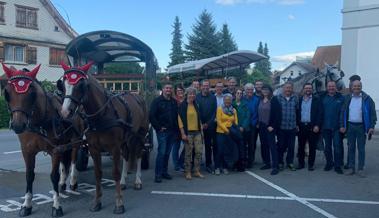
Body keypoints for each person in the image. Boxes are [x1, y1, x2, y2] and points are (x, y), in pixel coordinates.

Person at [340, 80, 376, 177]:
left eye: (358, 86)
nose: (356, 88)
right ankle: (351, 168)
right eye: (354, 86)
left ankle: (360, 169)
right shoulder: (347, 98)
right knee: (351, 148)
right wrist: (342, 125)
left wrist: (371, 127)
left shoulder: (367, 99)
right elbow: (343, 112)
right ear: (351, 87)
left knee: (361, 149)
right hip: (350, 126)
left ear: (361, 87)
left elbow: (373, 114)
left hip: (361, 127)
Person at [149, 82, 179, 183]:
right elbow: (152, 116)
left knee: (167, 153)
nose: (168, 90)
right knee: (161, 153)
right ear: (163, 89)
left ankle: (164, 172)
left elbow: (176, 116)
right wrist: (158, 128)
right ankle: (158, 174)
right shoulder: (157, 101)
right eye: (167, 88)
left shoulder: (174, 102)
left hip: (172, 131)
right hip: (162, 131)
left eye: (170, 88)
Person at [178, 87, 205, 180]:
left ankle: (196, 171)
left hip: (197, 132)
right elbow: (180, 120)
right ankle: (188, 172)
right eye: (190, 94)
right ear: (186, 95)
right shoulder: (182, 105)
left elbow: (199, 118)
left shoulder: (196, 104)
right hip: (187, 132)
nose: (192, 95)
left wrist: (201, 131)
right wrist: (182, 133)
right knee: (188, 153)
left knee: (199, 152)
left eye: (193, 94)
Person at [296, 83, 322, 171]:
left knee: (312, 147)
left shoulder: (316, 100)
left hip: (312, 126)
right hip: (301, 126)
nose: (308, 90)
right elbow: (296, 113)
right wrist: (297, 124)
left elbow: (319, 113)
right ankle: (301, 163)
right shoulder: (299, 100)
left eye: (310, 88)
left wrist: (317, 125)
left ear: (312, 90)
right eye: (306, 88)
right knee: (301, 146)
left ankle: (311, 164)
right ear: (303, 89)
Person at [321, 81, 344, 174]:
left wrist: (342, 125)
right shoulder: (322, 98)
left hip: (337, 128)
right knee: (327, 147)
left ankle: (337, 165)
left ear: (336, 87)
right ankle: (329, 163)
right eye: (329, 86)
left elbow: (343, 113)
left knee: (337, 147)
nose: (331, 88)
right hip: (325, 127)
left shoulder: (341, 98)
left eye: (333, 86)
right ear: (327, 88)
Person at [258, 84, 281, 175]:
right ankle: (267, 163)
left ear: (270, 90)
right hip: (262, 126)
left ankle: (275, 166)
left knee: (272, 146)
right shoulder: (260, 99)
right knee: (264, 145)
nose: (265, 91)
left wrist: (273, 126)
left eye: (267, 89)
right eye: (263, 89)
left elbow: (278, 114)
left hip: (270, 126)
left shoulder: (274, 100)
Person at [196, 80, 217, 173]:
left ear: (209, 87)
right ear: (201, 87)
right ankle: (196, 165)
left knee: (208, 146)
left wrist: (208, 123)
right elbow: (196, 112)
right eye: (204, 86)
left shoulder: (213, 98)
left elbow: (214, 112)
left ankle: (208, 164)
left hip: (209, 126)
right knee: (197, 146)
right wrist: (200, 123)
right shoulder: (196, 97)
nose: (205, 87)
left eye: (207, 86)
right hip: (198, 125)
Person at [215, 94, 239, 175]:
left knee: (227, 151)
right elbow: (218, 121)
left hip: (230, 132)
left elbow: (236, 121)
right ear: (224, 100)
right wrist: (226, 129)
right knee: (220, 150)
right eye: (226, 99)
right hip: (221, 132)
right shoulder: (219, 109)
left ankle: (225, 167)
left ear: (231, 101)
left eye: (229, 99)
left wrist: (234, 126)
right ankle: (217, 167)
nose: (228, 101)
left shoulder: (234, 110)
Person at [277, 82, 298, 171]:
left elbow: (297, 111)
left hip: (292, 127)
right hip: (281, 127)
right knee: (281, 146)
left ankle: (290, 162)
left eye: (290, 88)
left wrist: (297, 124)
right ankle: (280, 162)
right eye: (286, 88)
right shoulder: (278, 98)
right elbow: (275, 112)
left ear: (292, 89)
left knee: (291, 146)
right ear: (283, 89)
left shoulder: (295, 98)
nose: (288, 89)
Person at [232, 88, 250, 171]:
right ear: (235, 94)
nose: (239, 95)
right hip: (234, 129)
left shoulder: (245, 104)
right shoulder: (232, 104)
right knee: (235, 147)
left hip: (243, 129)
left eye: (241, 93)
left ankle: (242, 164)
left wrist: (243, 126)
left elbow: (247, 116)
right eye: (238, 93)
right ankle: (235, 163)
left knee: (242, 147)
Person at [244, 83, 260, 168]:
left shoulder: (257, 99)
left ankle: (250, 161)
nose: (249, 91)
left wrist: (257, 123)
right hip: (244, 125)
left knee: (252, 144)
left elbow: (259, 112)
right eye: (248, 89)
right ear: (245, 90)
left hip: (253, 125)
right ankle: (244, 159)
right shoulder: (242, 99)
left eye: (251, 89)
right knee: (243, 143)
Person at [172, 84, 185, 171]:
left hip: (185, 127)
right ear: (176, 92)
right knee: (176, 147)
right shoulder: (173, 101)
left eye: (181, 90)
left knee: (187, 146)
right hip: (176, 128)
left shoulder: (186, 100)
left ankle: (181, 162)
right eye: (178, 90)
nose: (180, 92)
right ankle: (176, 165)